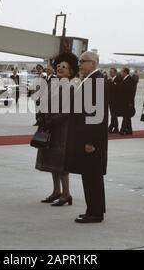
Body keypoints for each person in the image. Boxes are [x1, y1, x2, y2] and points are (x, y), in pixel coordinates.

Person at [65, 51, 108, 223]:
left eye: (83, 61)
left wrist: (91, 141)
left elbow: (97, 116)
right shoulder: (89, 80)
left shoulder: (95, 81)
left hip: (92, 141)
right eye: (79, 61)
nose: (80, 64)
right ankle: (94, 209)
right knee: (90, 176)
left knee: (92, 176)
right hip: (87, 138)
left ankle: (95, 213)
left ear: (93, 63)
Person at [35, 53, 79, 207]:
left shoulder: (71, 87)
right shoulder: (53, 84)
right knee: (52, 161)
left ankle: (66, 193)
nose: (60, 68)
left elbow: (68, 111)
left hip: (61, 129)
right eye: (59, 66)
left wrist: (52, 121)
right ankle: (56, 191)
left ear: (71, 71)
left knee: (61, 163)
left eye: (64, 67)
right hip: (49, 127)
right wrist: (40, 116)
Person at [118, 68, 136, 135]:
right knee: (127, 117)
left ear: (125, 72)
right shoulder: (124, 79)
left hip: (128, 102)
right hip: (124, 102)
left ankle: (122, 130)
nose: (120, 73)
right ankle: (129, 130)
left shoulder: (130, 80)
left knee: (126, 116)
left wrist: (130, 102)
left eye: (121, 72)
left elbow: (132, 93)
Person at [108, 67, 121, 133]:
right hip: (110, 101)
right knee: (113, 115)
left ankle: (112, 127)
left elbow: (119, 92)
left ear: (115, 72)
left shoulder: (118, 80)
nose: (110, 73)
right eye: (110, 72)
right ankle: (115, 127)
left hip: (115, 101)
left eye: (112, 72)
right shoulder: (109, 80)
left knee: (114, 115)